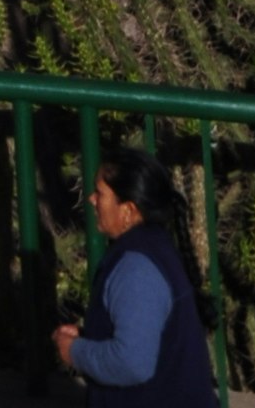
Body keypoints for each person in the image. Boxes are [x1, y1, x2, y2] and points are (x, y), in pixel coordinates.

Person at [57, 152, 220, 408]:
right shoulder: (153, 248)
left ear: (128, 210)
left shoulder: (137, 268)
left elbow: (132, 363)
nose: (91, 199)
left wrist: (74, 352)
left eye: (100, 193)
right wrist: (91, 337)